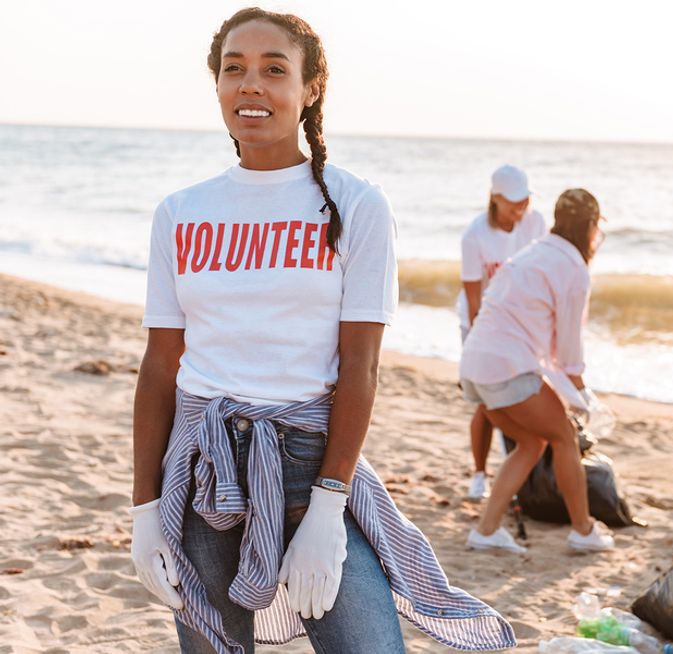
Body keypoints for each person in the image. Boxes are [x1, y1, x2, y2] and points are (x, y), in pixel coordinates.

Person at [127, 8, 514, 653]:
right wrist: (144, 512)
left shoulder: (357, 203)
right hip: (200, 468)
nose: (251, 85)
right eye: (234, 69)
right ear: (217, 84)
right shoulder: (180, 212)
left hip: (311, 460)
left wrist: (331, 503)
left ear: (310, 89)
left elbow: (361, 368)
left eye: (274, 70)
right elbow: (159, 365)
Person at [458, 188, 616, 553]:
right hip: (506, 365)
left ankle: (485, 531)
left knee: (531, 442)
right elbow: (569, 348)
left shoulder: (535, 251)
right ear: (591, 227)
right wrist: (582, 393)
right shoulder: (574, 267)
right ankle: (583, 530)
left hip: (475, 364)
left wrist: (570, 386)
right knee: (564, 436)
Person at [457, 165, 546, 500]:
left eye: (524, 201)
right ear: (495, 198)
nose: (520, 209)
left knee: (519, 397)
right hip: (479, 324)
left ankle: (521, 478)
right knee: (487, 401)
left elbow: (540, 273)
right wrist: (483, 344)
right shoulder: (474, 235)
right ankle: (479, 475)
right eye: (513, 203)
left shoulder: (535, 223)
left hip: (518, 325)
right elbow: (473, 297)